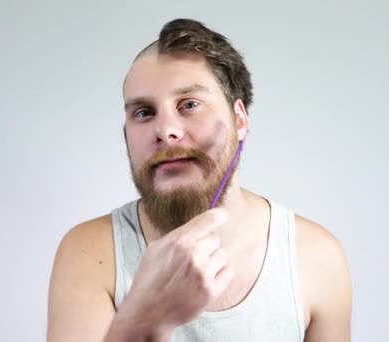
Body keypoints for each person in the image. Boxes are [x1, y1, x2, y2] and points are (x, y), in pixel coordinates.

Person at [47, 18, 352, 342]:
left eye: (189, 105)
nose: (165, 131)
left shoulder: (316, 257)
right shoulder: (89, 252)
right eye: (144, 113)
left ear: (239, 120)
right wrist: (143, 318)